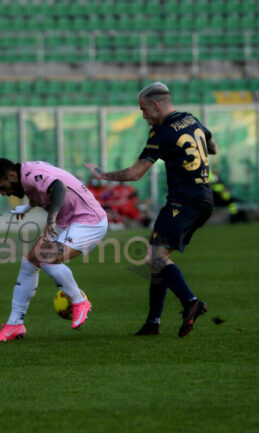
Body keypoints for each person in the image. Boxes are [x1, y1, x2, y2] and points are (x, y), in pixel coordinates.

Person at [85, 81, 217, 338]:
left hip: (183, 202)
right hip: (203, 199)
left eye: (144, 110)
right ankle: (153, 322)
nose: (144, 116)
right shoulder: (191, 119)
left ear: (156, 105)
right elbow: (212, 146)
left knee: (154, 257)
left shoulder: (163, 132)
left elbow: (135, 173)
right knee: (157, 258)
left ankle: (191, 302)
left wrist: (103, 175)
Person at [0, 158, 108, 342]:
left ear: (11, 175)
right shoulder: (24, 176)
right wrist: (26, 208)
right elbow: (41, 192)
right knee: (30, 262)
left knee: (47, 258)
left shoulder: (31, 174)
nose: (3, 193)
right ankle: (15, 324)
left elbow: (58, 187)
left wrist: (51, 219)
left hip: (88, 220)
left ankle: (79, 300)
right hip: (66, 220)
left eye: (2, 187)